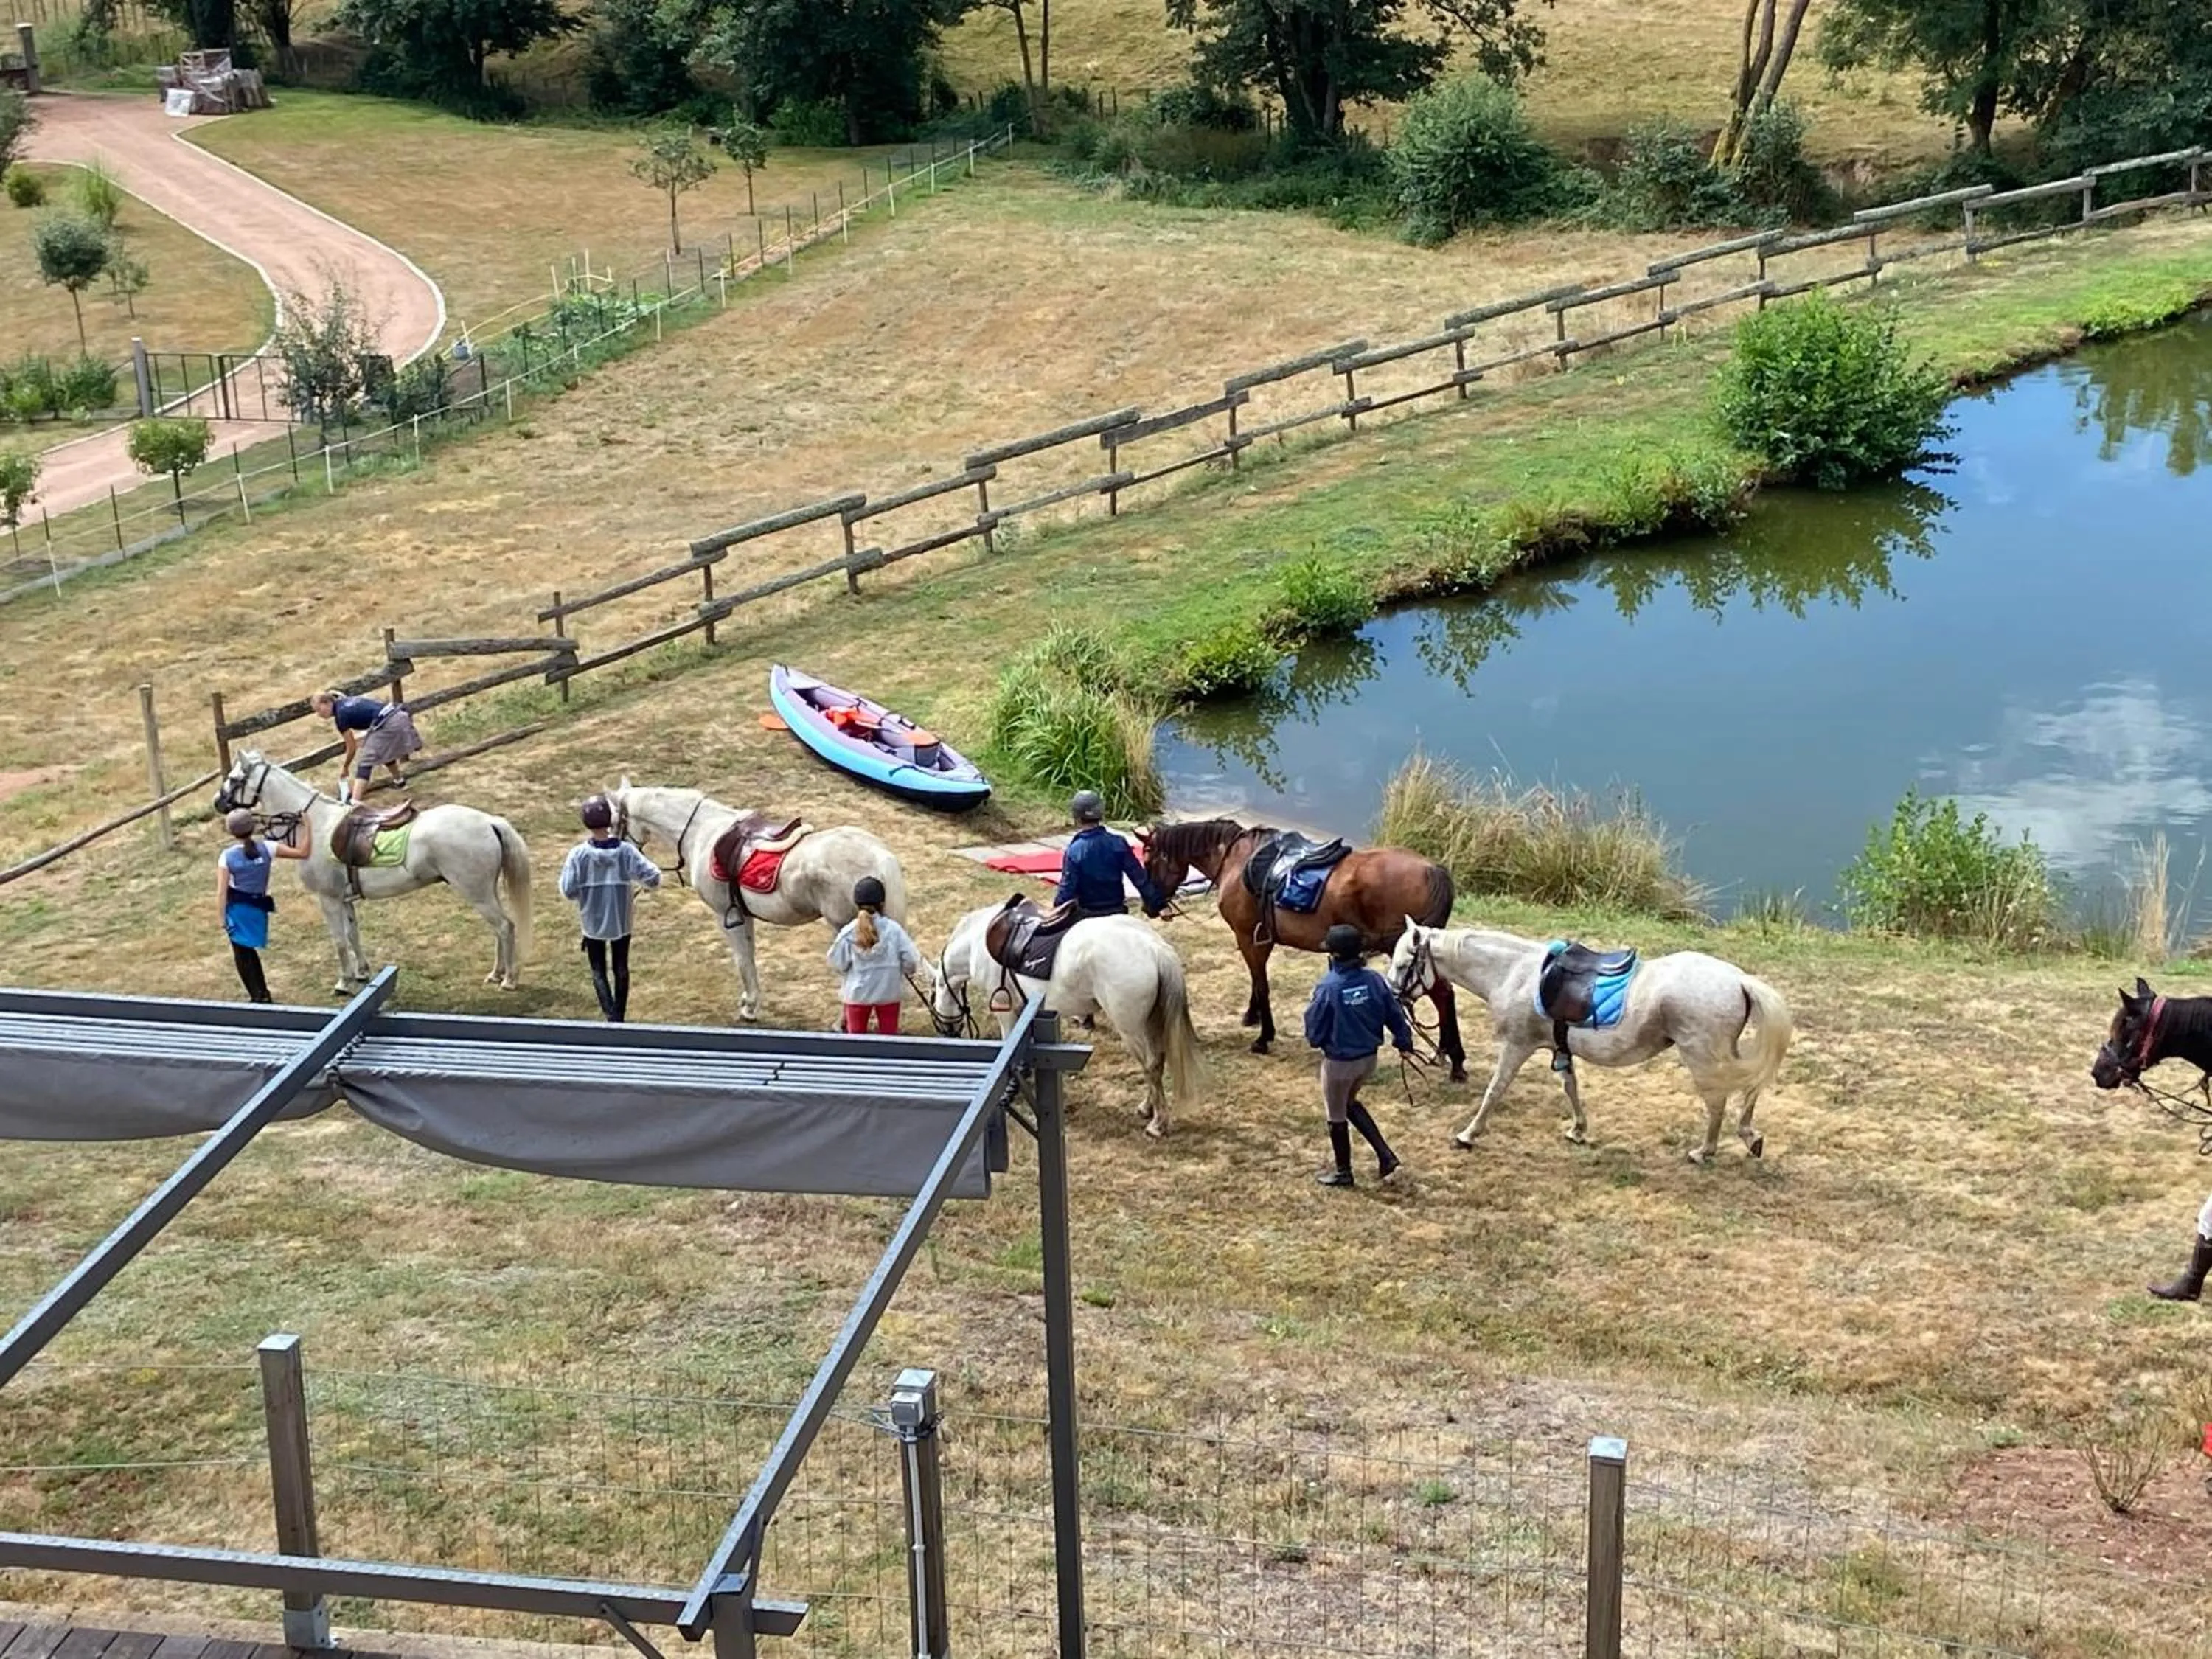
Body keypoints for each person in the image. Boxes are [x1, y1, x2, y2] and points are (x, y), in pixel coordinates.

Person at [1302, 923, 1411, 1189]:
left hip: (1339, 1064)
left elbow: (1314, 1034)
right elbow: (1395, 1014)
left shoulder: (1328, 988)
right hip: (1368, 1060)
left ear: (1335, 955)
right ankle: (1386, 1157)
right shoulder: (1375, 980)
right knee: (1350, 1102)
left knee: (1337, 1113)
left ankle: (1344, 1172)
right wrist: (1403, 1040)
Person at [557, 795, 661, 1022]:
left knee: (598, 970)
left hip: (591, 922)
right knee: (621, 966)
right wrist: (644, 884)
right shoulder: (626, 851)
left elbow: (567, 889)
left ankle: (609, 1014)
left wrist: (582, 895)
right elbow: (653, 877)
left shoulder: (578, 855)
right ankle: (619, 1016)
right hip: (621, 921)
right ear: (610, 820)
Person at [216, 807, 309, 1003]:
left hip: (237, 910)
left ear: (231, 832)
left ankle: (259, 995)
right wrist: (307, 825)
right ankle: (261, 993)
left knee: (242, 955)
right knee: (248, 952)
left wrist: (221, 917)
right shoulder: (268, 847)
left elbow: (222, 891)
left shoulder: (227, 856)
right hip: (258, 908)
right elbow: (303, 852)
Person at [827, 876, 922, 1034]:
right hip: (889, 992)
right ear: (882, 904)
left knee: (856, 1040)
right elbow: (911, 960)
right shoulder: (894, 930)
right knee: (889, 1037)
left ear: (856, 904)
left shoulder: (848, 933)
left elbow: (837, 962)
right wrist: (905, 970)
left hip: (857, 995)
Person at [1056, 790, 1167, 921]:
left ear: (1076, 816)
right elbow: (1140, 878)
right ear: (1101, 813)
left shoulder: (1074, 851)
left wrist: (1057, 907)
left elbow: (1067, 888)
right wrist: (1160, 905)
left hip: (1086, 915)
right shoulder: (1119, 843)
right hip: (1117, 911)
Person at [310, 689, 424, 805]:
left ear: (328, 703)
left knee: (365, 760)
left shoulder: (341, 716)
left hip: (388, 724)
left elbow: (351, 747)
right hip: (398, 716)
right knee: (381, 750)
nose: (319, 714)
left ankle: (354, 803)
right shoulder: (348, 702)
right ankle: (400, 782)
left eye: (319, 709)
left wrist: (345, 767)